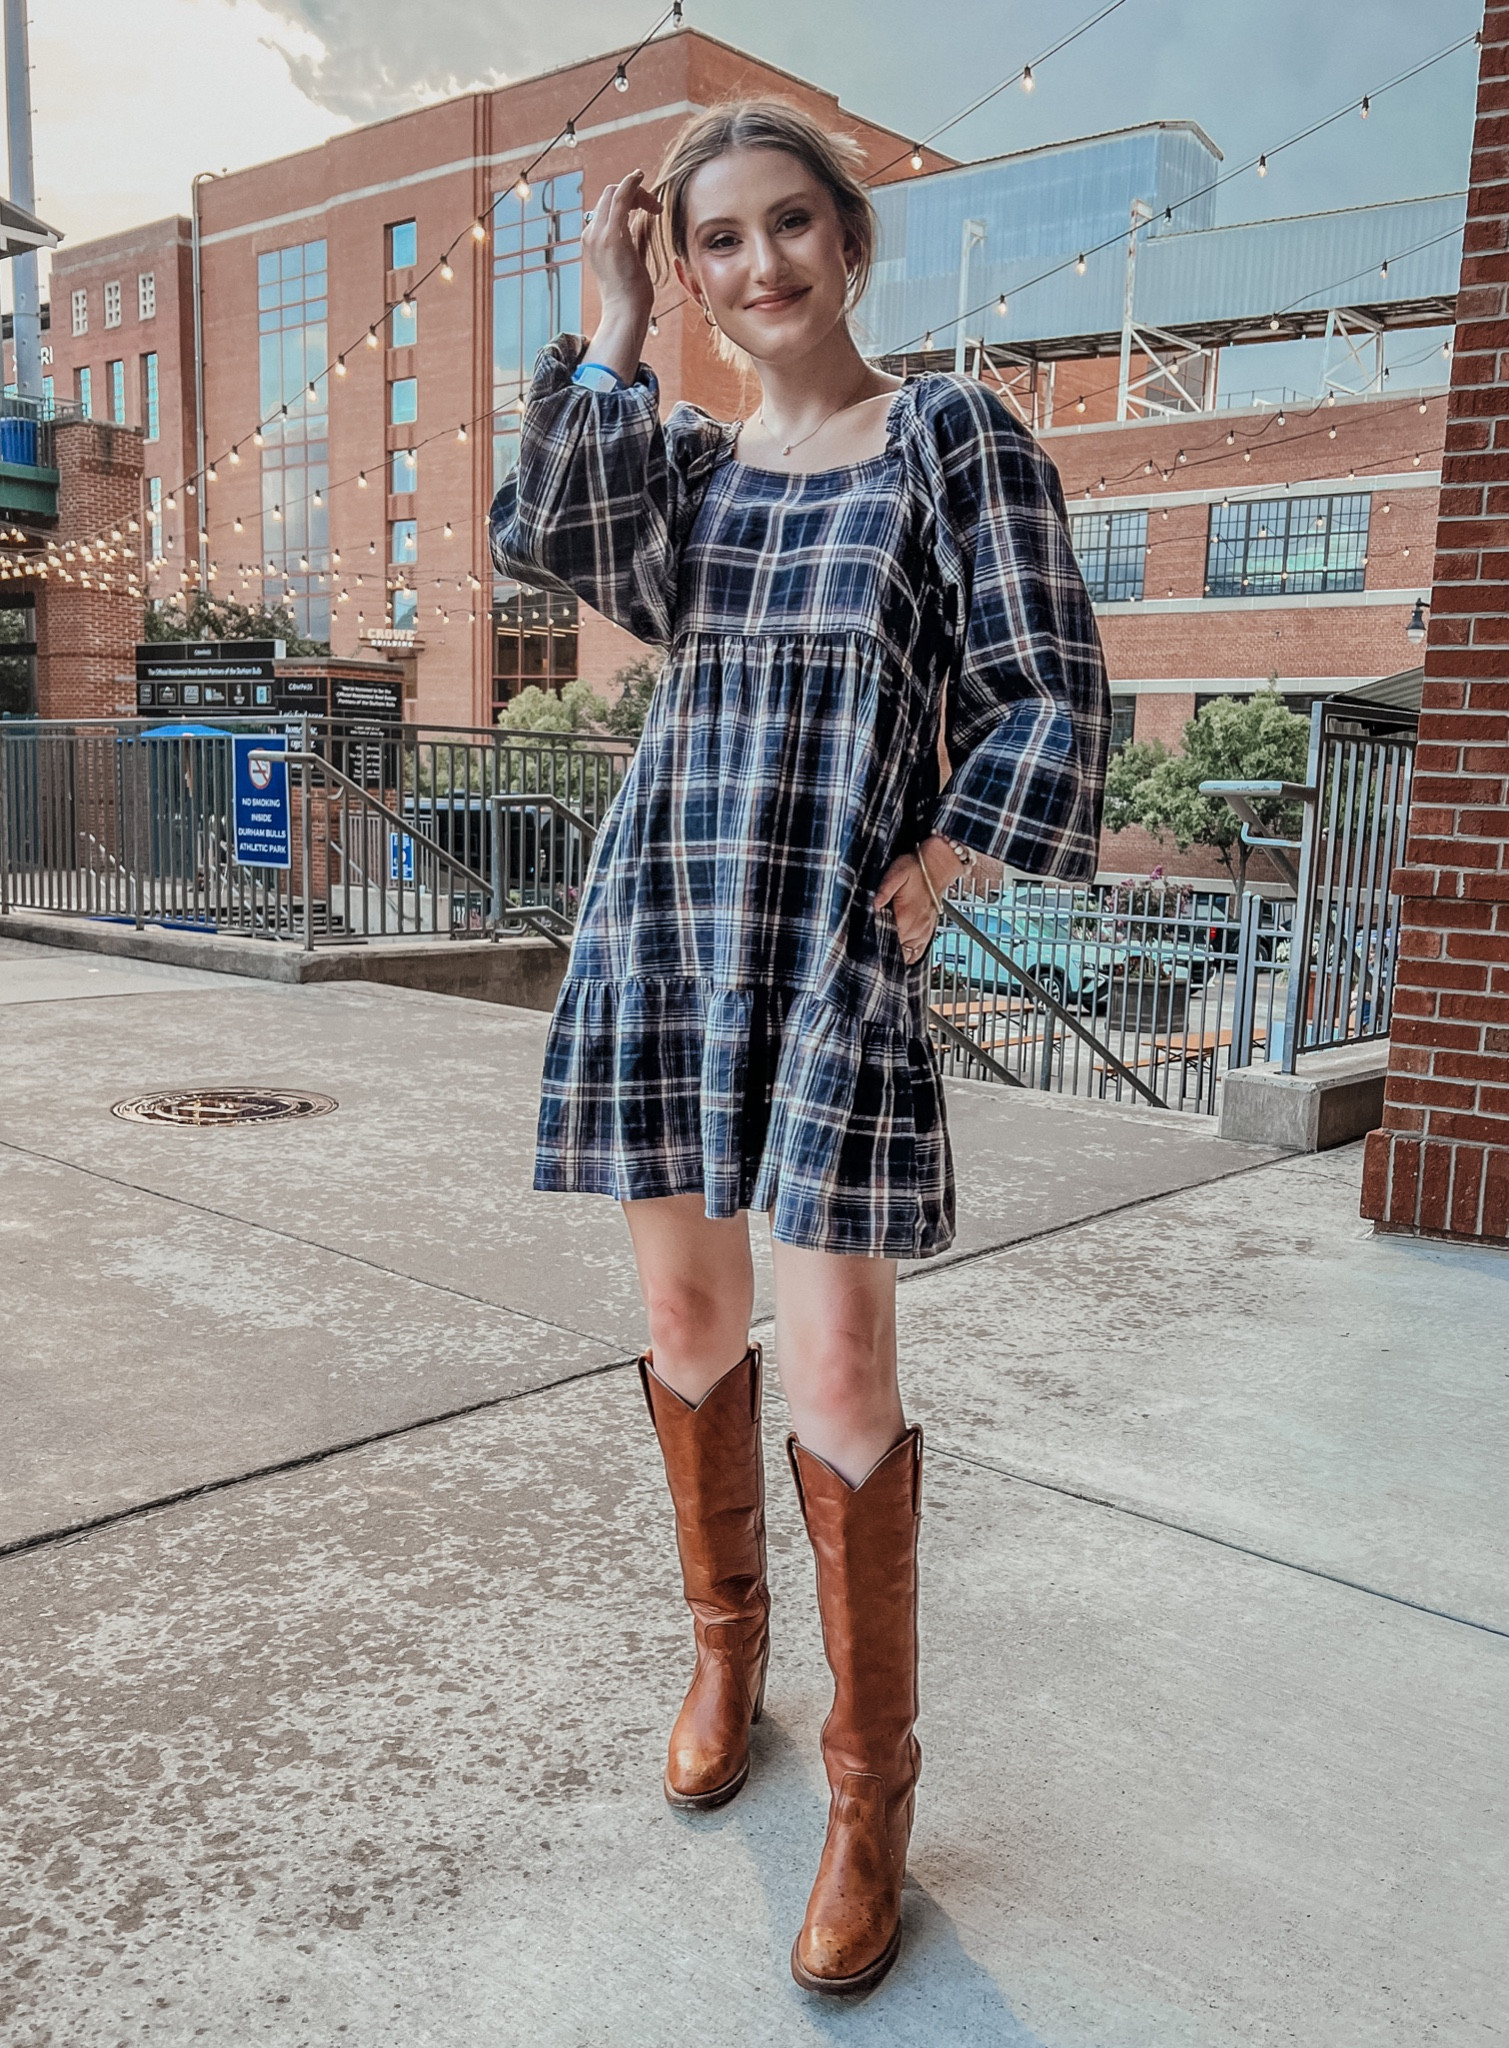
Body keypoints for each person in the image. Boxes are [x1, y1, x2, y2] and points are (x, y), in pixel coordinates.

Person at [490, 98, 1109, 1996]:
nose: (757, 267)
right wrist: (605, 312)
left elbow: (1050, 682)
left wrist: (939, 866)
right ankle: (725, 1649)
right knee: (692, 1331)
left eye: (788, 227)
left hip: (830, 941)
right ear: (690, 271)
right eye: (716, 243)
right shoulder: (683, 470)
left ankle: (867, 1790)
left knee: (836, 1357)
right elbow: (548, 534)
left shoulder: (948, 442)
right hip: (667, 926)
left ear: (849, 239)